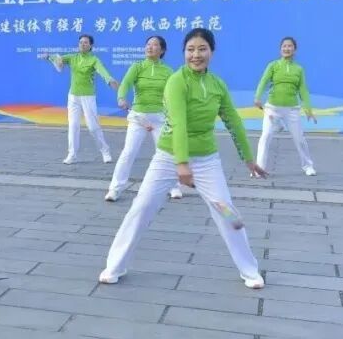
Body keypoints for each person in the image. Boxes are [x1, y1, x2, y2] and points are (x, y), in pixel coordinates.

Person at [99, 28, 269, 290]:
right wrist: (181, 164)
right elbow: (178, 122)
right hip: (168, 158)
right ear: (183, 53)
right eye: (190, 50)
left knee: (227, 213)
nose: (196, 55)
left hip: (206, 161)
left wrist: (248, 159)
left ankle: (250, 270)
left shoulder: (217, 84)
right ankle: (115, 266)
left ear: (211, 52)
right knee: (142, 207)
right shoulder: (176, 81)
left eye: (202, 49)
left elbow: (233, 121)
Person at [105, 36, 182, 202]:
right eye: (148, 44)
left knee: (166, 153)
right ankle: (115, 189)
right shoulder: (137, 67)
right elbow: (125, 84)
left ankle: (174, 186)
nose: (150, 47)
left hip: (160, 118)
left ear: (162, 50)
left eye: (154, 45)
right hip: (139, 117)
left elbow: (174, 93)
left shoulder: (168, 71)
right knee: (129, 152)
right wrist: (121, 98)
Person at [38, 34, 118, 164]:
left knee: (92, 127)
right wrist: (48, 57)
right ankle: (72, 154)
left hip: (88, 97)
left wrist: (109, 80)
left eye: (86, 42)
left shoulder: (94, 60)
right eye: (81, 42)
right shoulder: (72, 57)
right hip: (73, 97)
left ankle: (105, 151)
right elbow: (58, 59)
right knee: (73, 126)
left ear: (91, 45)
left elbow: (102, 71)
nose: (82, 44)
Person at [253, 37, 317, 177]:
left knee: (299, 139)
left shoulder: (299, 69)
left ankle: (308, 166)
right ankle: (259, 169)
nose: (286, 48)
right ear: (280, 49)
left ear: (294, 49)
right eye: (284, 46)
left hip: (292, 110)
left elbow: (303, 90)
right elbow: (263, 81)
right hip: (272, 108)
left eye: (289, 46)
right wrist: (257, 97)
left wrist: (308, 109)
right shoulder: (273, 65)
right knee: (265, 136)